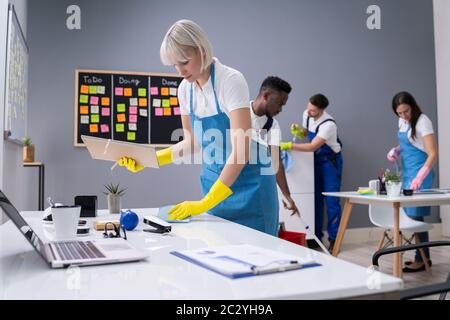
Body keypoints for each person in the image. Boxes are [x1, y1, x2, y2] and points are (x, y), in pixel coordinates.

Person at [118, 20, 279, 236]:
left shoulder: (230, 81)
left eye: (184, 62)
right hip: (216, 185)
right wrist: (148, 160)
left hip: (252, 186)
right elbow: (192, 142)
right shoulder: (185, 90)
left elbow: (241, 151)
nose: (180, 72)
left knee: (258, 257)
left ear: (202, 49)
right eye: (174, 65)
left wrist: (205, 202)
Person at [280, 94, 342, 251]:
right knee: (316, 201)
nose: (309, 112)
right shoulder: (307, 114)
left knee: (332, 202)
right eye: (308, 108)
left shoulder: (329, 125)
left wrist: (289, 145)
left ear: (321, 110)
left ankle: (335, 239)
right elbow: (307, 132)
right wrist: (300, 131)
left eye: (313, 111)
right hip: (314, 161)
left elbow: (312, 146)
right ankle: (315, 237)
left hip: (330, 163)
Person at [387, 91, 438, 272]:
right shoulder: (402, 121)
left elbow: (432, 152)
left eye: (406, 111)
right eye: (399, 113)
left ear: (413, 106)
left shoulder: (423, 121)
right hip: (408, 172)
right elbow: (412, 142)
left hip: (421, 172)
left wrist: (421, 175)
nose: (403, 116)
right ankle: (423, 257)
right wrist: (397, 150)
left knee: (416, 215)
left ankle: (421, 259)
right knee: (412, 215)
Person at [250, 76, 300, 216]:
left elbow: (276, 162)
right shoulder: (238, 114)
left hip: (255, 186)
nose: (281, 109)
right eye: (280, 103)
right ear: (266, 95)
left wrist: (287, 195)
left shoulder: (272, 126)